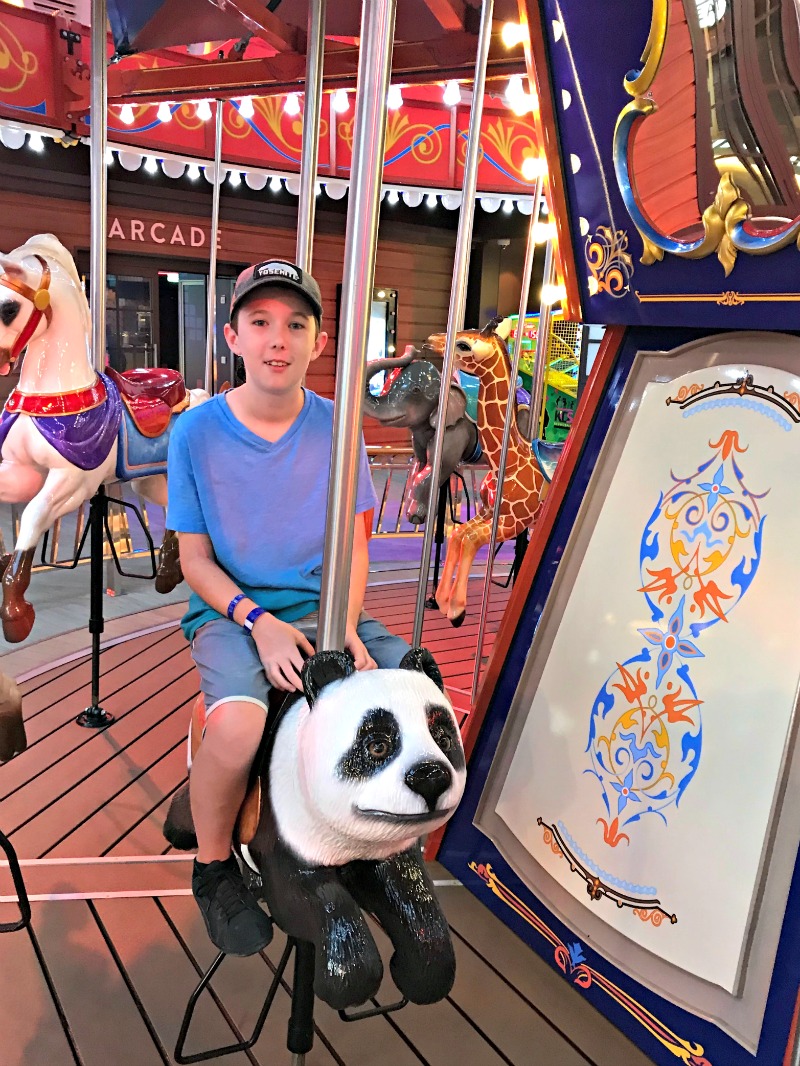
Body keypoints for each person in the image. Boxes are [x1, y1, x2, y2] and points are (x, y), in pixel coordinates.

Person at [166, 259, 410, 956]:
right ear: (232, 337)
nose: (279, 338)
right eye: (261, 323)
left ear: (319, 342)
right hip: (233, 614)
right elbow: (194, 561)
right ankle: (213, 865)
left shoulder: (339, 427)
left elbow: (355, 545)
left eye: (295, 324)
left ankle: (374, 847)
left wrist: (345, 623)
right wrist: (258, 622)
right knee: (241, 727)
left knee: (415, 696)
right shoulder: (196, 434)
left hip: (330, 604)